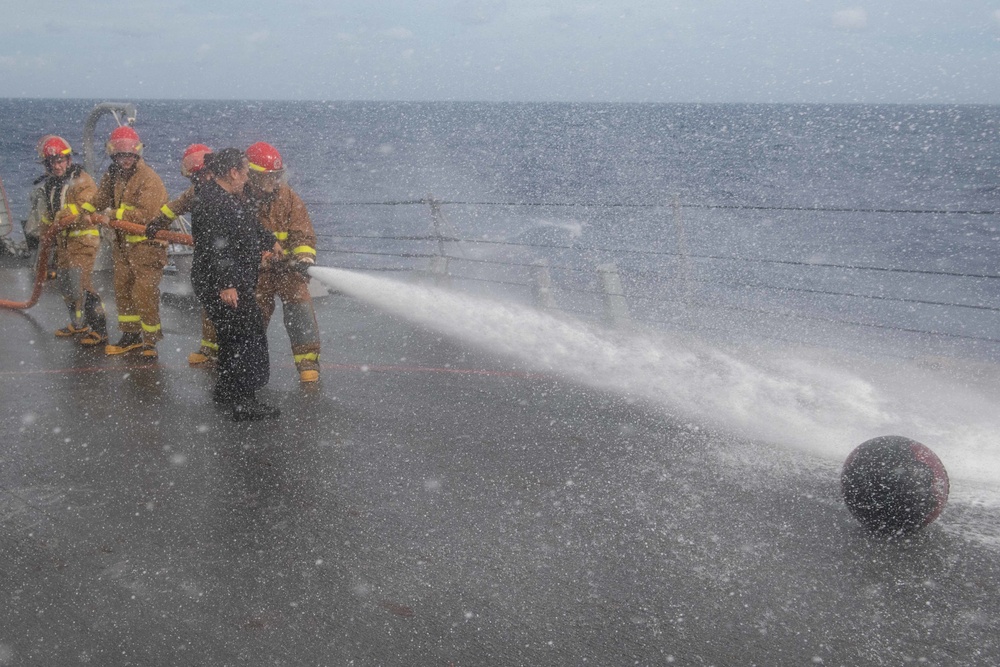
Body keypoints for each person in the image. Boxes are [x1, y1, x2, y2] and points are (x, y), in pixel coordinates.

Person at [191, 148, 280, 421]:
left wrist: (269, 240)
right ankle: (244, 400)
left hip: (228, 281)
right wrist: (227, 283)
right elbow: (217, 245)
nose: (247, 177)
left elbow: (248, 225)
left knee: (231, 338)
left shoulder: (226, 198)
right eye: (244, 171)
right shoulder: (214, 202)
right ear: (233, 172)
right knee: (247, 336)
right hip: (225, 284)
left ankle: (227, 389)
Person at [245, 141, 322, 383]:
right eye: (267, 178)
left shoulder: (289, 198)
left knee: (300, 308)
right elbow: (238, 238)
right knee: (253, 317)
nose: (273, 183)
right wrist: (261, 257)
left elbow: (303, 234)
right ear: (252, 176)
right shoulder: (239, 200)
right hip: (258, 273)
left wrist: (304, 257)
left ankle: (308, 362)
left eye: (276, 176)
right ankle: (246, 364)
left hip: (288, 270)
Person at [90, 126, 169, 358]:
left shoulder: (149, 179)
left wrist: (114, 214)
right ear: (114, 156)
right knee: (123, 291)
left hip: (147, 249)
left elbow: (147, 214)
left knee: (144, 294)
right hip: (123, 247)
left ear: (137, 155)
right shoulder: (112, 175)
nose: (125, 160)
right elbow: (99, 199)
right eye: (121, 156)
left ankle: (150, 342)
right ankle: (131, 336)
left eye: (129, 156)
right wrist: (82, 212)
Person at [144, 143, 220, 367]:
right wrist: (157, 222)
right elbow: (175, 207)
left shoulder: (224, 192)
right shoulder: (196, 192)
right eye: (197, 176)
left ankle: (226, 353)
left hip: (224, 257)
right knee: (210, 302)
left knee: (224, 306)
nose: (201, 179)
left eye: (203, 174)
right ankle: (209, 349)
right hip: (207, 255)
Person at [30, 135, 108, 345]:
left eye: (60, 161)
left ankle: (100, 330)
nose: (57, 166)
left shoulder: (82, 181)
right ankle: (79, 324)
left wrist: (61, 218)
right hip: (64, 244)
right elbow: (49, 214)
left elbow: (86, 206)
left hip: (83, 241)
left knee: (82, 284)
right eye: (52, 162)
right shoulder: (52, 186)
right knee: (66, 285)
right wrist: (45, 236)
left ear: (68, 160)